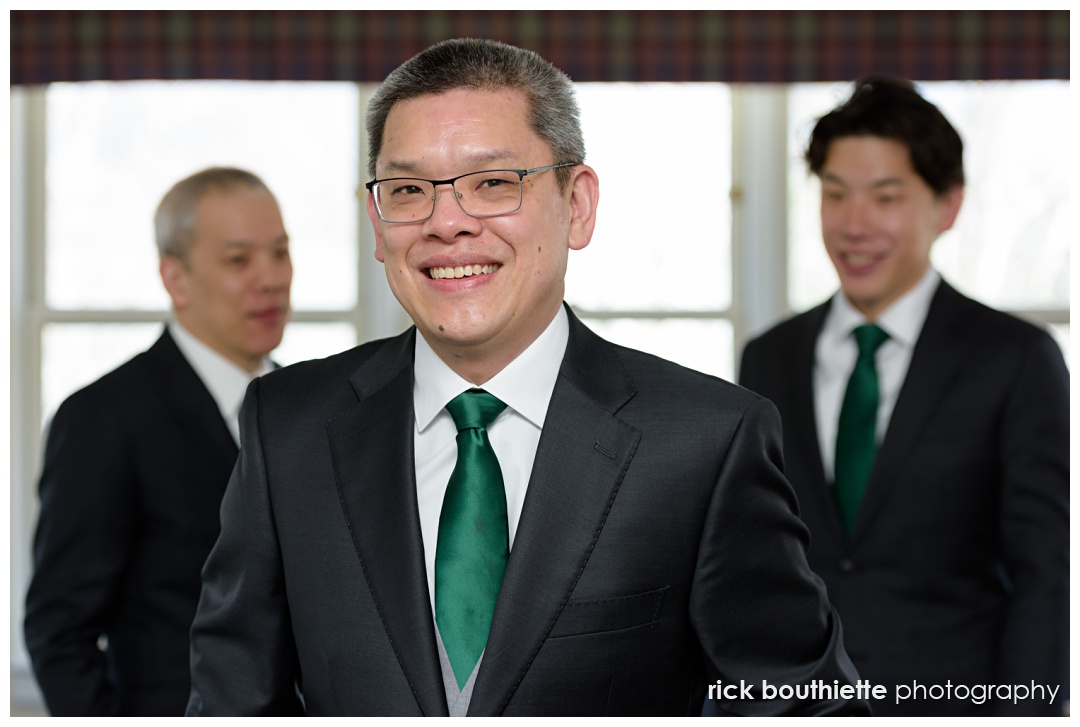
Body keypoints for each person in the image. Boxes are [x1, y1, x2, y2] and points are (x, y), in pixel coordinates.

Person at [186, 38, 867, 717]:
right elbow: (231, 701)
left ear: (577, 205)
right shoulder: (288, 427)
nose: (446, 221)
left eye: (492, 182)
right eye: (408, 190)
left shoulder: (706, 443)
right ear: (377, 221)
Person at [739, 77, 1069, 716]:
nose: (854, 225)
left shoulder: (1016, 359)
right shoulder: (768, 357)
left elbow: (1043, 578)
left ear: (947, 206)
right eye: (835, 195)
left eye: (884, 197)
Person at [24, 166, 293, 716]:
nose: (271, 279)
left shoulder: (308, 406)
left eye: (281, 253)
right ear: (175, 278)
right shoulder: (103, 417)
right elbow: (60, 634)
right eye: (239, 260)